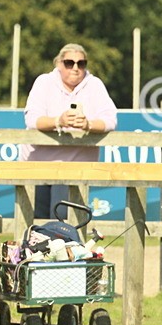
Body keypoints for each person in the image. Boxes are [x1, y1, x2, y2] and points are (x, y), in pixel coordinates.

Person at [21, 43, 118, 219]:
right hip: (38, 164)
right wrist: (59, 121)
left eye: (81, 63)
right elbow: (32, 119)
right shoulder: (44, 82)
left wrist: (88, 124)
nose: (75, 68)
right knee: (35, 223)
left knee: (63, 222)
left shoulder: (94, 85)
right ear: (59, 64)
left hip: (75, 167)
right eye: (69, 63)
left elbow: (110, 120)